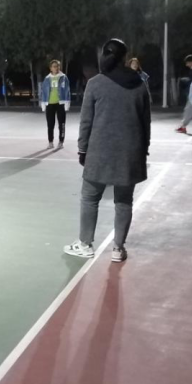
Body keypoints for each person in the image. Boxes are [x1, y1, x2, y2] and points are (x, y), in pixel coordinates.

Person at [64, 38, 150, 264]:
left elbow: (86, 121)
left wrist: (82, 149)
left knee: (89, 198)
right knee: (124, 201)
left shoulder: (95, 83)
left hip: (99, 151)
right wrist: (144, 150)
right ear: (124, 57)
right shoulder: (139, 84)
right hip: (130, 153)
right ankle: (118, 248)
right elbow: (145, 122)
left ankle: (85, 244)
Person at [39, 59, 71, 150]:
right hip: (50, 104)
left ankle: (61, 142)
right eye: (54, 66)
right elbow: (43, 92)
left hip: (60, 104)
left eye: (57, 66)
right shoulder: (47, 78)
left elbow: (67, 90)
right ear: (50, 68)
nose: (56, 68)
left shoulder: (63, 77)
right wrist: (43, 103)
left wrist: (67, 103)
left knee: (62, 124)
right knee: (50, 124)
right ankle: (50, 142)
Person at [176, 55, 192, 134]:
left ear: (191, 62)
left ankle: (183, 127)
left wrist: (186, 80)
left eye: (187, 63)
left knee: (189, 109)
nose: (186, 65)